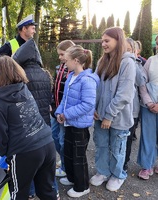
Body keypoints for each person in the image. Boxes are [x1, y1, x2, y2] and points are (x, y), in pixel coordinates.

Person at [0, 56, 57, 200]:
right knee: (47, 190)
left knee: (19, 193)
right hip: (47, 143)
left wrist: (6, 153)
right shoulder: (24, 89)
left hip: (24, 152)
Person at [90, 27, 136, 192]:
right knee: (101, 144)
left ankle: (118, 175)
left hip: (118, 117)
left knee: (117, 147)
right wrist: (94, 108)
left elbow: (125, 94)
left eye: (107, 40)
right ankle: (103, 171)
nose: (103, 44)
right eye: (102, 40)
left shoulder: (127, 63)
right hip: (100, 115)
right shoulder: (102, 61)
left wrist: (109, 115)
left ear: (118, 40)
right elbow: (96, 86)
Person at [54, 45, 99, 198]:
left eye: (66, 61)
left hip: (80, 127)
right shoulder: (71, 77)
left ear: (76, 60)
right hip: (70, 124)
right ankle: (72, 178)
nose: (64, 63)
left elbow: (87, 105)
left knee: (79, 157)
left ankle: (82, 186)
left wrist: (66, 114)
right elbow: (65, 99)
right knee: (69, 153)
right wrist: (59, 112)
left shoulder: (87, 80)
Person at [51, 40, 75, 178]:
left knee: (62, 140)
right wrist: (53, 105)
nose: (59, 57)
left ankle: (66, 167)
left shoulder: (72, 69)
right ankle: (64, 159)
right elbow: (55, 87)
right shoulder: (59, 67)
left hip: (65, 113)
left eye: (62, 54)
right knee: (54, 136)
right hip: (56, 110)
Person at [137, 34, 158, 180]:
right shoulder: (151, 60)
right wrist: (149, 102)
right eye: (157, 43)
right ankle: (147, 165)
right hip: (148, 105)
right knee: (147, 136)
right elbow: (142, 83)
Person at [123, 38, 145, 172]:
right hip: (117, 110)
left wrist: (135, 61)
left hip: (132, 109)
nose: (126, 53)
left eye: (129, 50)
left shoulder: (138, 64)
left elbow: (141, 81)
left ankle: (123, 163)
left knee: (127, 138)